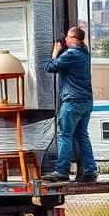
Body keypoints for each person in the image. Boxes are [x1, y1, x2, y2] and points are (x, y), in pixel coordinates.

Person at [42, 26, 98, 182]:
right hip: (86, 102)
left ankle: (61, 171)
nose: (65, 39)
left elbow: (50, 67)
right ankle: (90, 171)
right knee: (82, 136)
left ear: (74, 39)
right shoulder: (84, 54)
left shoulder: (71, 54)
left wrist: (55, 51)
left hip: (72, 101)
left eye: (67, 37)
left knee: (65, 135)